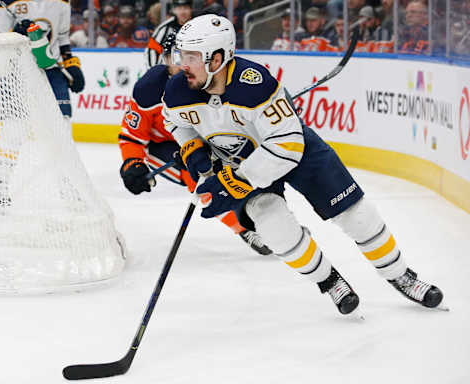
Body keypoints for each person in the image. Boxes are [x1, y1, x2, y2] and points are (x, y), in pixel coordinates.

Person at [162, 14, 444, 315]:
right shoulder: (178, 91)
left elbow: (288, 146)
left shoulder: (253, 85)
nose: (182, 64)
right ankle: (329, 280)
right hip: (239, 161)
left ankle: (400, 274)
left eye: (191, 56)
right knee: (274, 229)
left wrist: (234, 182)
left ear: (217, 58)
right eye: (181, 55)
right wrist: (193, 151)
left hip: (295, 153)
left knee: (356, 215)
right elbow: (175, 122)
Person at [119, 34, 272, 256]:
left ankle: (270, 223)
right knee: (201, 175)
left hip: (201, 141)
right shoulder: (148, 90)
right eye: (176, 57)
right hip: (163, 146)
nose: (183, 65)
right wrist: (132, 163)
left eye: (189, 57)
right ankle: (244, 230)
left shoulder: (205, 81)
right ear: (165, 59)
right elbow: (132, 136)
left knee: (243, 170)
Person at [0, 0, 85, 117]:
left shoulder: (63, 1)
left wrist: (70, 63)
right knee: (16, 124)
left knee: (62, 122)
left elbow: (62, 37)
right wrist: (15, 34)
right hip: (14, 74)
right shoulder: (5, 2)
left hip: (52, 71)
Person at [144, 0, 193, 69]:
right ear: (174, 10)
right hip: (171, 73)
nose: (182, 12)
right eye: (179, 9)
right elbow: (152, 50)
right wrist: (154, 71)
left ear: (191, 9)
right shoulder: (165, 27)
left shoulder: (198, 25)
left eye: (185, 8)